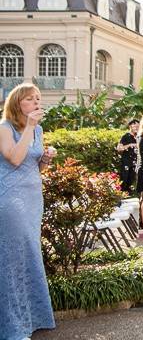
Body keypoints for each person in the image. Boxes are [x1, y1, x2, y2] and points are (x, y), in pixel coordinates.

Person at [0, 83, 57, 339]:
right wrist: (30, 128)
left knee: (30, 255)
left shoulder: (38, 129)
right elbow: (13, 157)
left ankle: (32, 318)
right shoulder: (4, 128)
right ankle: (13, 326)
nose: (36, 102)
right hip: (11, 199)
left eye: (38, 98)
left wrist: (45, 159)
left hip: (33, 198)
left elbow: (34, 166)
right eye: (30, 99)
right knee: (12, 260)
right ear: (17, 103)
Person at [116, 119, 139, 192]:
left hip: (135, 162)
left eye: (138, 126)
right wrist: (130, 145)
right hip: (126, 162)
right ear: (130, 126)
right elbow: (119, 148)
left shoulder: (138, 137)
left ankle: (129, 193)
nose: (136, 128)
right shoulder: (125, 136)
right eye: (134, 126)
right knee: (124, 179)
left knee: (131, 180)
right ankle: (121, 193)